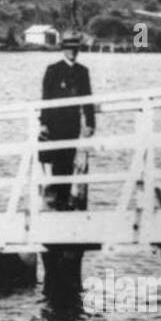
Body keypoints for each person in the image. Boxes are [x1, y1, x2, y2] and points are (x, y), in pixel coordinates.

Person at [39, 29, 96, 210]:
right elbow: (46, 99)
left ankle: (63, 201)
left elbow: (88, 100)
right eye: (69, 48)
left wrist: (90, 123)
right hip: (55, 125)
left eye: (75, 48)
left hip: (72, 125)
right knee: (57, 165)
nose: (72, 51)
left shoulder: (82, 72)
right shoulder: (53, 70)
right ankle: (58, 201)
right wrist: (44, 123)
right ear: (63, 49)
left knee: (69, 163)